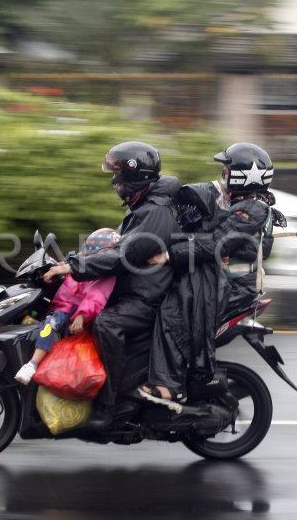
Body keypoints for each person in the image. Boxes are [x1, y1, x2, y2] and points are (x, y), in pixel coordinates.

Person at [44, 141, 180, 428]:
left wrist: (73, 267)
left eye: (118, 173)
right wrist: (73, 259)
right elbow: (110, 246)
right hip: (133, 288)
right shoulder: (142, 206)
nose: (114, 180)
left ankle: (113, 402)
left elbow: (122, 256)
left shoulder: (155, 213)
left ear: (134, 176)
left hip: (146, 297)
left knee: (106, 323)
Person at [140, 142, 285, 404]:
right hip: (224, 278)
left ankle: (171, 387)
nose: (224, 174)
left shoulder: (253, 208)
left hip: (233, 286)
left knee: (171, 311)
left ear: (245, 175)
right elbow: (212, 237)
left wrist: (170, 255)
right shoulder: (244, 204)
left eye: (228, 170)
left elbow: (217, 243)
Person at [14, 228, 120, 385]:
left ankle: (32, 365)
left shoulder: (102, 275)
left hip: (73, 311)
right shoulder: (82, 266)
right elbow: (70, 268)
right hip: (62, 306)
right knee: (30, 321)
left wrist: (82, 315)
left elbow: (96, 296)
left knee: (50, 324)